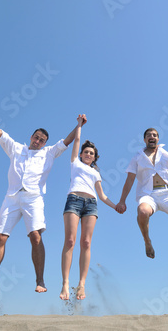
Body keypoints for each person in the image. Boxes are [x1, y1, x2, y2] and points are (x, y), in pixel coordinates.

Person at [0, 106, 85, 296]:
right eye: (36, 137)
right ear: (31, 137)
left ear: (44, 143)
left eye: (42, 140)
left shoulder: (49, 152)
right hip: (12, 197)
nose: (38, 141)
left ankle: (40, 280)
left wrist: (79, 125)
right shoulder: (16, 148)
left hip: (34, 198)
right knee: (0, 236)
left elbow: (67, 141)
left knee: (35, 236)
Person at [59, 116, 118, 301]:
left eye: (91, 153)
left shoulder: (95, 172)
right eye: (86, 152)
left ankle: (82, 284)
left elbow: (102, 195)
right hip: (74, 201)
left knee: (86, 243)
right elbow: (76, 141)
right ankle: (65, 283)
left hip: (92, 205)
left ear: (94, 157)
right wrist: (78, 125)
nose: (88, 154)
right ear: (81, 153)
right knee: (70, 241)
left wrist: (116, 206)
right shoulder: (74, 163)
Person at [115, 128, 168, 259]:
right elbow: (130, 180)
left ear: (158, 139)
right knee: (142, 211)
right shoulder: (137, 157)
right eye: (148, 135)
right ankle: (147, 241)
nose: (151, 137)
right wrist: (122, 200)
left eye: (154, 135)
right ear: (144, 140)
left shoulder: (167, 155)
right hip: (148, 195)